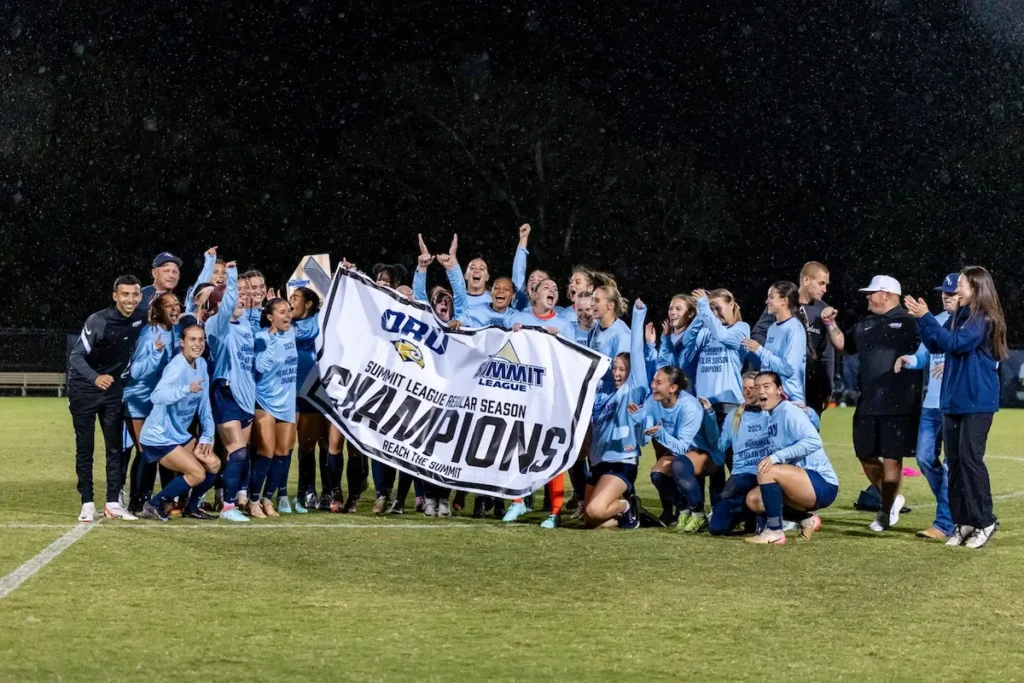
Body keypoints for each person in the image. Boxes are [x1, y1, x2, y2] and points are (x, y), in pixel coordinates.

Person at [905, 266, 1008, 549]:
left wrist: (927, 317)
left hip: (976, 402)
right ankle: (963, 522)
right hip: (952, 400)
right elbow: (936, 344)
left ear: (976, 287)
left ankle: (985, 521)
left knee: (970, 462)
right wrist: (922, 320)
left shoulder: (983, 318)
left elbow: (956, 344)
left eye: (961, 284)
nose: (956, 289)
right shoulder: (958, 316)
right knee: (955, 466)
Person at [823, 275, 922, 532]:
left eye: (872, 292)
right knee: (865, 455)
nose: (867, 296)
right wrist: (830, 323)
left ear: (887, 295)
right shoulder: (864, 324)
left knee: (891, 459)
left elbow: (932, 348)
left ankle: (885, 512)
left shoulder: (911, 322)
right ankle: (891, 499)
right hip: (867, 402)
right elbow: (843, 345)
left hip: (899, 404)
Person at [68, 275, 146, 522]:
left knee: (115, 448)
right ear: (115, 296)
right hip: (84, 389)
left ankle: (113, 502)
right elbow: (76, 356)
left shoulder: (140, 317)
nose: (130, 299)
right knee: (86, 449)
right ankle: (87, 503)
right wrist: (95, 378)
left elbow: (170, 314)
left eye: (135, 294)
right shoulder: (99, 320)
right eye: (125, 294)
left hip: (113, 390)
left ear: (140, 296)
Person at [894, 273, 959, 540]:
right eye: (944, 292)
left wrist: (952, 365)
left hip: (956, 405)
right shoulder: (937, 320)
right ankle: (955, 507)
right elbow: (925, 355)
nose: (946, 297)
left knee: (955, 465)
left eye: (952, 293)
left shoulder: (973, 322)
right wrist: (908, 359)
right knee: (924, 458)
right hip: (932, 405)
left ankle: (945, 522)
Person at [744, 371, 839, 544]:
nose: (761, 391)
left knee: (767, 470)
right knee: (754, 500)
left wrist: (776, 457)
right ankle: (805, 520)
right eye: (757, 387)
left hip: (822, 483)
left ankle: (775, 531)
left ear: (779, 390)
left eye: (767, 386)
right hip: (799, 482)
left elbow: (814, 441)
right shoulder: (771, 415)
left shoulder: (788, 410)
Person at [579, 299, 650, 529]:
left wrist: (638, 317)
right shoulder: (601, 394)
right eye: (615, 368)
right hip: (598, 463)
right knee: (591, 519)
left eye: (622, 369)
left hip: (621, 462)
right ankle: (623, 515)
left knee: (595, 510)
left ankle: (627, 506)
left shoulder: (632, 390)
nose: (617, 373)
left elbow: (636, 353)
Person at [138, 325, 220, 521]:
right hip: (159, 436)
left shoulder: (201, 365)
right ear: (182, 343)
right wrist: (185, 389)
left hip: (178, 434)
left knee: (214, 464)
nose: (198, 344)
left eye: (201, 339)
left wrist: (207, 436)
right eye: (192, 339)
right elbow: (157, 396)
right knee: (197, 473)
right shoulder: (176, 366)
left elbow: (204, 406)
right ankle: (153, 504)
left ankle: (191, 508)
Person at [205, 263, 256, 523]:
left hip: (246, 395)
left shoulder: (244, 324)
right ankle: (227, 505)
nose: (239, 300)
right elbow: (225, 307)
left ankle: (227, 499)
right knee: (238, 451)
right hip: (225, 392)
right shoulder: (217, 324)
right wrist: (232, 277)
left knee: (237, 454)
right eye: (233, 297)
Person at [640, 366, 720, 532]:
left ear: (673, 387)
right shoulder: (652, 401)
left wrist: (660, 433)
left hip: (706, 452)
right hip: (681, 453)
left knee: (679, 466)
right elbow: (644, 439)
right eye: (653, 381)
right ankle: (684, 511)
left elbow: (682, 446)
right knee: (657, 475)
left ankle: (699, 515)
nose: (653, 386)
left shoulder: (690, 406)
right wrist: (637, 422)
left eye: (658, 382)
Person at [122, 291, 181, 512]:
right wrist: (156, 353)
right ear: (158, 311)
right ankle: (137, 502)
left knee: (157, 450)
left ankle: (157, 500)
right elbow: (136, 371)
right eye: (168, 305)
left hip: (157, 401)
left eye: (177, 303)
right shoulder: (150, 334)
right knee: (145, 452)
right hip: (138, 399)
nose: (174, 308)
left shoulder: (173, 331)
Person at [751, 262, 836, 413]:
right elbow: (758, 334)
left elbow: (826, 352)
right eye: (821, 283)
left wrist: (828, 388)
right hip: (783, 384)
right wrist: (775, 360)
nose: (824, 289)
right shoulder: (781, 305)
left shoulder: (822, 309)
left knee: (808, 425)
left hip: (811, 383)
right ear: (806, 280)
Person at [246, 298, 298, 517]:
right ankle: (252, 500)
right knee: (266, 452)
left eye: (289, 311)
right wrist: (272, 340)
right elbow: (260, 366)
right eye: (282, 312)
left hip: (287, 402)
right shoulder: (260, 337)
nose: (288, 315)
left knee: (282, 452)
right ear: (269, 317)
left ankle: (267, 500)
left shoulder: (292, 332)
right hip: (264, 400)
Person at [706, 372, 771, 536]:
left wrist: (808, 412)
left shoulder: (771, 414)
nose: (747, 392)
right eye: (744, 388)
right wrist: (709, 416)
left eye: (752, 388)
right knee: (716, 529)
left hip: (765, 475)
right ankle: (748, 513)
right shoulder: (734, 415)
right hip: (740, 476)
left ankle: (768, 514)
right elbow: (720, 445)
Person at [741, 281, 808, 405]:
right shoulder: (772, 328)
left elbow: (789, 368)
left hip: (790, 399)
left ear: (784, 300)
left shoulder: (794, 327)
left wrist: (760, 351)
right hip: (771, 399)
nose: (767, 301)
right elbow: (768, 365)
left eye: (771, 297)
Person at [290, 286, 325, 513]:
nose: (290, 301)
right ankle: (281, 493)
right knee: (284, 447)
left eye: (295, 298)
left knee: (308, 444)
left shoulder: (320, 322)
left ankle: (308, 491)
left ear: (309, 303)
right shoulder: (286, 323)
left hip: (312, 389)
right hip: (287, 392)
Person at [139, 252, 182, 317]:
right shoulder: (140, 297)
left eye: (175, 272)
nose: (171, 276)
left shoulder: (177, 302)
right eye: (166, 271)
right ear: (155, 273)